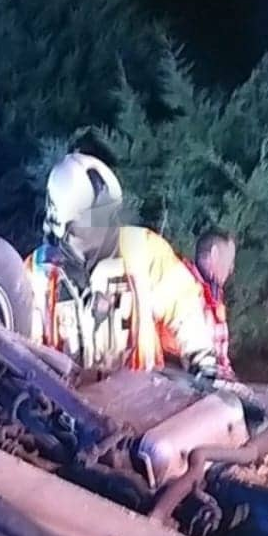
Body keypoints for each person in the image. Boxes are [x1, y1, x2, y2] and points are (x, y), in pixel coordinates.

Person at [25, 154, 217, 376]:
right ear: (63, 223)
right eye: (94, 217)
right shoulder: (37, 273)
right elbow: (25, 348)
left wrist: (203, 361)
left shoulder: (143, 249)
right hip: (68, 406)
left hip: (143, 403)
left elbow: (185, 307)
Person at [186, 229, 237, 378]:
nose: (231, 269)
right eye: (230, 260)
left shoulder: (214, 294)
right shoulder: (187, 288)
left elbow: (221, 358)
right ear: (214, 254)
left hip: (216, 379)